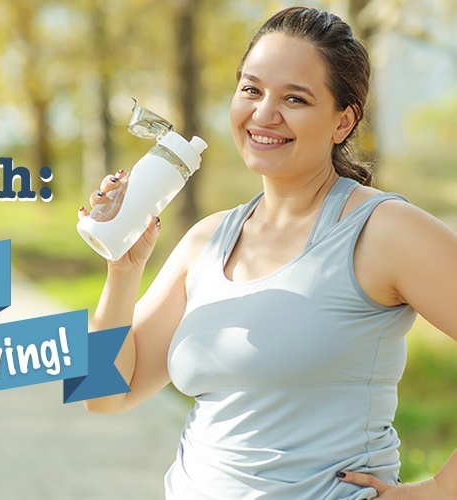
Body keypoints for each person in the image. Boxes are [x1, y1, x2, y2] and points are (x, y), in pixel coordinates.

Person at [77, 6, 457, 499]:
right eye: (251, 89)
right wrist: (122, 268)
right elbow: (103, 395)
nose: (263, 113)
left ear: (343, 122)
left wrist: (437, 491)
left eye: (295, 98)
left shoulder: (382, 230)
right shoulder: (207, 240)